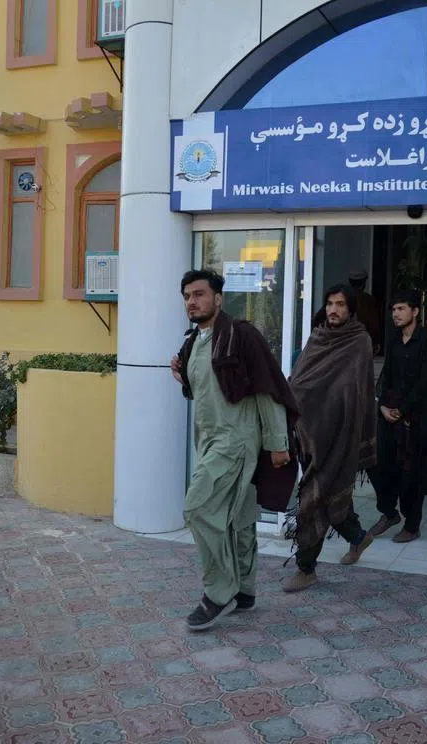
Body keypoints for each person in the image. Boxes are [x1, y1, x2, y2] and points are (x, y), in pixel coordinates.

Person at [171, 269, 299, 631]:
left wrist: (277, 444)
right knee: (239, 517)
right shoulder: (194, 341)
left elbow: (266, 390)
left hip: (235, 441)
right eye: (186, 296)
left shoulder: (242, 336)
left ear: (218, 298)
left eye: (199, 294)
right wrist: (182, 375)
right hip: (210, 441)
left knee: (198, 508)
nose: (191, 302)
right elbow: (208, 389)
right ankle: (244, 590)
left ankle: (219, 592)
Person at [281, 284, 377, 593]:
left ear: (350, 310)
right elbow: (303, 378)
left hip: (340, 435)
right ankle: (359, 537)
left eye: (340, 304)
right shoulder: (318, 337)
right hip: (310, 433)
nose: (334, 310)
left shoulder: (359, 342)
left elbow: (356, 392)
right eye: (330, 303)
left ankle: (305, 568)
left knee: (314, 499)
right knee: (331, 497)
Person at [369, 290, 427, 543]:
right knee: (377, 464)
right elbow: (386, 375)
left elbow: (426, 380)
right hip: (390, 414)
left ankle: (412, 524)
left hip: (416, 418)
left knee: (412, 473)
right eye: (393, 309)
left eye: (401, 309)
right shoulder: (394, 341)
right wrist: (381, 406)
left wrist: (404, 410)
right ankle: (389, 513)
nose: (395, 314)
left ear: (415, 312)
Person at [349, 269, 383, 355]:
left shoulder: (340, 297)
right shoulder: (368, 300)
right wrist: (375, 342)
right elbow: (373, 324)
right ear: (364, 283)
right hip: (361, 344)